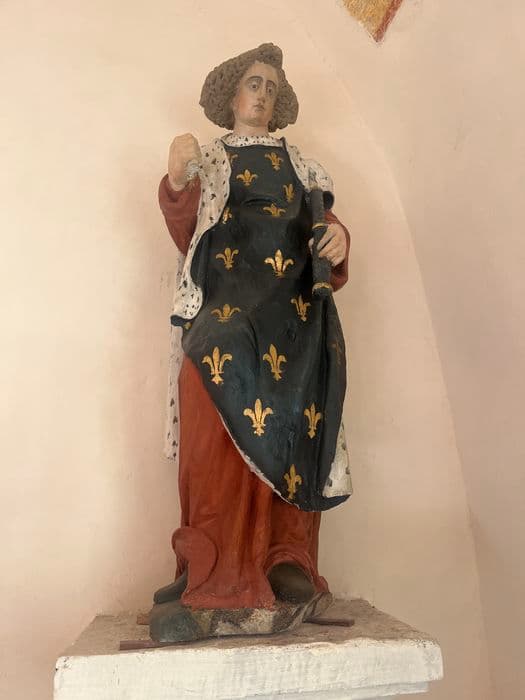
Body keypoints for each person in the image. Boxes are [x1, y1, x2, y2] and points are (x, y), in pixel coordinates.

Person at [154, 43, 352, 619]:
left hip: (291, 311)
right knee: (204, 378)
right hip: (226, 304)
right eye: (253, 84)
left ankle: (284, 557)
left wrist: (339, 240)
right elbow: (187, 229)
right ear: (232, 96)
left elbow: (324, 227)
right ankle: (207, 558)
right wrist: (176, 178)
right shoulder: (211, 160)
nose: (262, 95)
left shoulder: (302, 165)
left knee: (297, 407)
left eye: (271, 87)